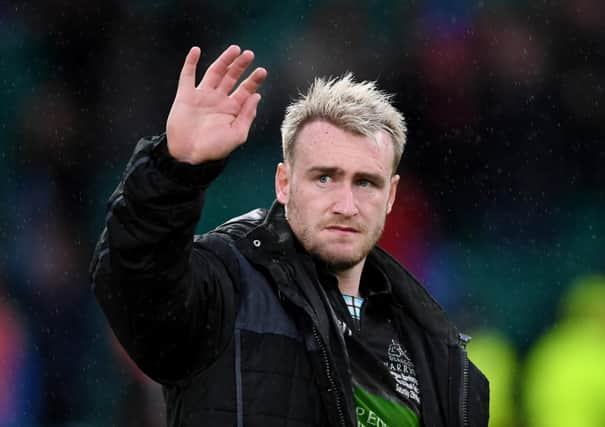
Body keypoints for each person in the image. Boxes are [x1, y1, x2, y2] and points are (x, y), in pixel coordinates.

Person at [90, 45, 489, 427]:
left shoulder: (432, 348)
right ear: (284, 183)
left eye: (366, 183)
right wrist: (175, 170)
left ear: (391, 196)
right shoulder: (229, 282)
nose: (345, 204)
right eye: (325, 178)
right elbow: (136, 285)